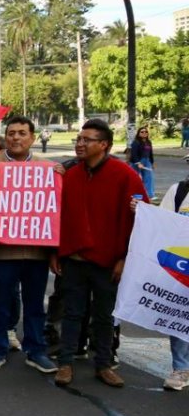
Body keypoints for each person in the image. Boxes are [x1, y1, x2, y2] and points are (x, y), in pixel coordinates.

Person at [54, 119, 147, 388]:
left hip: (108, 262)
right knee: (72, 313)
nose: (80, 144)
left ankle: (103, 364)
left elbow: (140, 220)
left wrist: (123, 258)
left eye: (87, 140)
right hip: (73, 259)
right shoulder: (70, 175)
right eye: (78, 139)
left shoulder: (125, 175)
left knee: (104, 317)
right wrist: (56, 253)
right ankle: (66, 362)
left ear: (103, 145)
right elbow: (59, 217)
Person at [0, 116, 60, 375]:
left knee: (34, 305)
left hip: (36, 251)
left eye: (22, 133)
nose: (16, 138)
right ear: (5, 137)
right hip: (1, 251)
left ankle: (36, 350)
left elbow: (55, 207)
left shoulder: (49, 168)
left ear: (32, 138)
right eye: (11, 133)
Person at [157, 155, 189, 391]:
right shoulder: (178, 191)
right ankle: (181, 367)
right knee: (179, 316)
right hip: (182, 265)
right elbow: (162, 225)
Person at [128, 126, 156, 199]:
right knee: (134, 178)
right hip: (136, 161)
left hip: (146, 160)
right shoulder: (135, 142)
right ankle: (132, 193)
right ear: (138, 133)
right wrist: (138, 163)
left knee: (148, 177)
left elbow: (150, 153)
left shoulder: (148, 142)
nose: (144, 133)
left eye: (146, 132)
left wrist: (152, 162)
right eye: (142, 132)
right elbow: (134, 154)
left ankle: (149, 195)